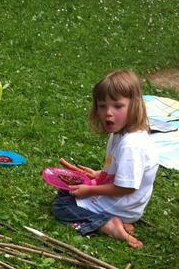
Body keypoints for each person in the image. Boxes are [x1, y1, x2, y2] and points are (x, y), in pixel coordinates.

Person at [52, 70, 158, 249]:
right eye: (102, 106)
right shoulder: (120, 134)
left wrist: (90, 191)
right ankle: (116, 220)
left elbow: (127, 186)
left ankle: (107, 224)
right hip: (120, 202)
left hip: (120, 205)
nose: (108, 113)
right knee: (66, 189)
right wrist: (98, 174)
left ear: (135, 106)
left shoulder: (131, 145)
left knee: (61, 207)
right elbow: (123, 174)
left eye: (117, 106)